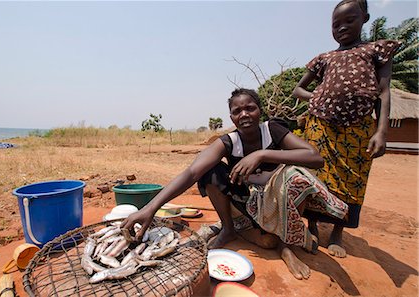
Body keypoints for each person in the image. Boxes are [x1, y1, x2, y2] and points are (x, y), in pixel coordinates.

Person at [122, 88, 348, 280]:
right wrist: (150, 208)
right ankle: (229, 228)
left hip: (279, 204)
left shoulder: (272, 130)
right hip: (246, 204)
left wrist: (261, 155)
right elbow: (191, 172)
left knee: (294, 176)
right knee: (209, 171)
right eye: (237, 111)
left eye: (250, 108)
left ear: (260, 110)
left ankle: (286, 246)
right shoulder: (229, 141)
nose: (244, 114)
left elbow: (314, 157)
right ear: (231, 118)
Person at [292, 0, 400, 258]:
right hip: (320, 125)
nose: (341, 27)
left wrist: (382, 131)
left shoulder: (376, 51)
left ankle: (338, 230)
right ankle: (314, 225)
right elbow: (298, 89)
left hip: (358, 127)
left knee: (352, 179)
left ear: (365, 18)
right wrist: (317, 97)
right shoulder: (324, 58)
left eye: (349, 21)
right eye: (336, 24)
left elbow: (384, 93)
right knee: (316, 177)